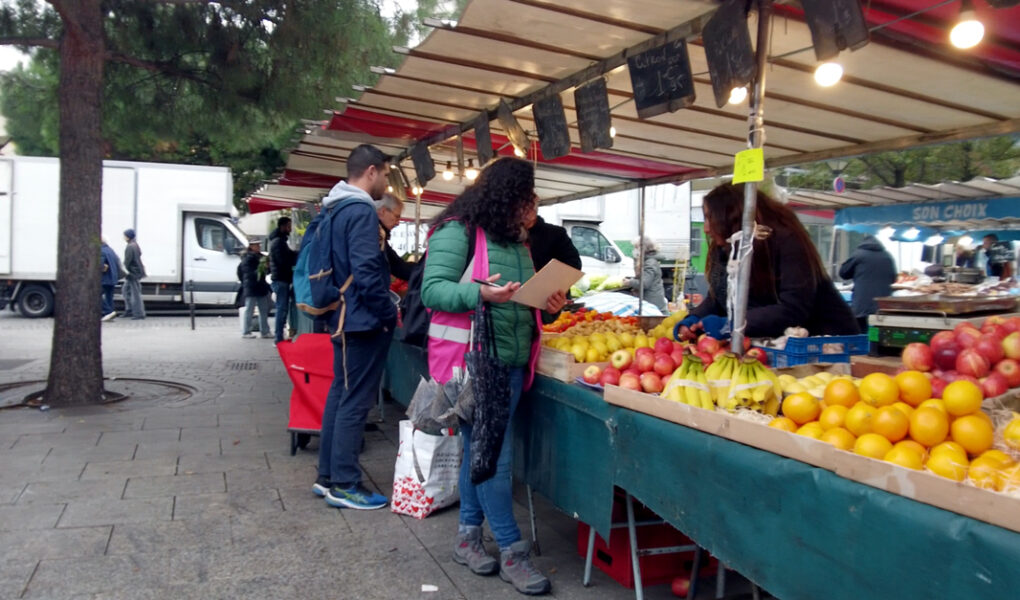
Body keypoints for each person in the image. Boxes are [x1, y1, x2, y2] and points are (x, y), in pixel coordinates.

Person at [422, 157, 565, 596]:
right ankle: (512, 551)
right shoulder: (458, 231)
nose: (534, 203)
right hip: (474, 367)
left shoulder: (518, 242)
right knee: (495, 459)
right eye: (528, 194)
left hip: (510, 363)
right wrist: (481, 293)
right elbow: (432, 289)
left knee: (478, 452)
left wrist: (548, 302)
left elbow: (519, 299)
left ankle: (467, 539)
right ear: (507, 196)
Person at [312, 144, 396, 511]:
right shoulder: (361, 210)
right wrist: (388, 312)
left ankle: (327, 476)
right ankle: (344, 483)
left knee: (340, 394)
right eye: (387, 175)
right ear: (372, 171)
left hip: (342, 315)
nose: (386, 183)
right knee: (354, 401)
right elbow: (365, 272)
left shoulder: (335, 207)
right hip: (361, 320)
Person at [676, 183, 858, 342]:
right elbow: (719, 298)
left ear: (732, 217)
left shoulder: (786, 241)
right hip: (771, 344)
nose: (706, 229)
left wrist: (731, 325)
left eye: (710, 218)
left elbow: (793, 308)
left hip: (825, 342)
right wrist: (693, 320)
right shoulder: (726, 248)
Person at [525, 212, 581, 324]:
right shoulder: (506, 238)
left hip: (547, 302)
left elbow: (573, 264)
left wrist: (547, 284)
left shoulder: (556, 234)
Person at [839, 234, 897, 334]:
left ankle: (867, 348)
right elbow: (893, 279)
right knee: (879, 337)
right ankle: (874, 348)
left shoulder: (858, 255)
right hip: (882, 307)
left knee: (861, 335)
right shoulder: (887, 256)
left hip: (862, 305)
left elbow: (843, 273)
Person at [268, 216, 298, 343]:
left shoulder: (279, 241)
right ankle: (278, 338)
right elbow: (284, 261)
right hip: (281, 280)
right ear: (283, 226)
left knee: (282, 308)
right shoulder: (279, 242)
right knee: (282, 308)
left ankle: (279, 336)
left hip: (281, 279)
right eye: (289, 226)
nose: (290, 229)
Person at [375, 193, 415, 281]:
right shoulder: (375, 235)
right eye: (396, 217)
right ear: (383, 211)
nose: (398, 223)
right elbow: (397, 266)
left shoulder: (379, 234)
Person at [624, 236, 669, 313]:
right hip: (651, 301)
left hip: (652, 303)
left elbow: (644, 283)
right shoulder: (646, 261)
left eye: (636, 247)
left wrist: (629, 282)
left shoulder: (650, 263)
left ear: (643, 248)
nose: (635, 250)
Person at [238, 239, 272, 339]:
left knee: (263, 309)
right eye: (256, 245)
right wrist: (262, 269)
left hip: (259, 286)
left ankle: (264, 331)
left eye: (259, 245)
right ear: (251, 246)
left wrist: (266, 268)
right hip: (252, 286)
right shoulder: (248, 258)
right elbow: (248, 273)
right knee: (250, 309)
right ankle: (246, 331)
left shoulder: (260, 257)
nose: (258, 247)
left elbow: (266, 271)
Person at [122, 229, 146, 320]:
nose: (123, 237)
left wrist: (123, 271)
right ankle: (129, 310)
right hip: (136, 272)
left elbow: (128, 261)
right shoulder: (135, 245)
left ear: (128, 237)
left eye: (124, 236)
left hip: (133, 273)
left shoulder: (130, 247)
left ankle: (139, 313)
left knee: (135, 293)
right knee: (125, 290)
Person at [100, 239, 122, 321]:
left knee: (96, 295)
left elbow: (100, 265)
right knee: (109, 296)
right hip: (112, 277)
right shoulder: (110, 250)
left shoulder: (101, 251)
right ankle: (110, 314)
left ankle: (108, 312)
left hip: (104, 278)